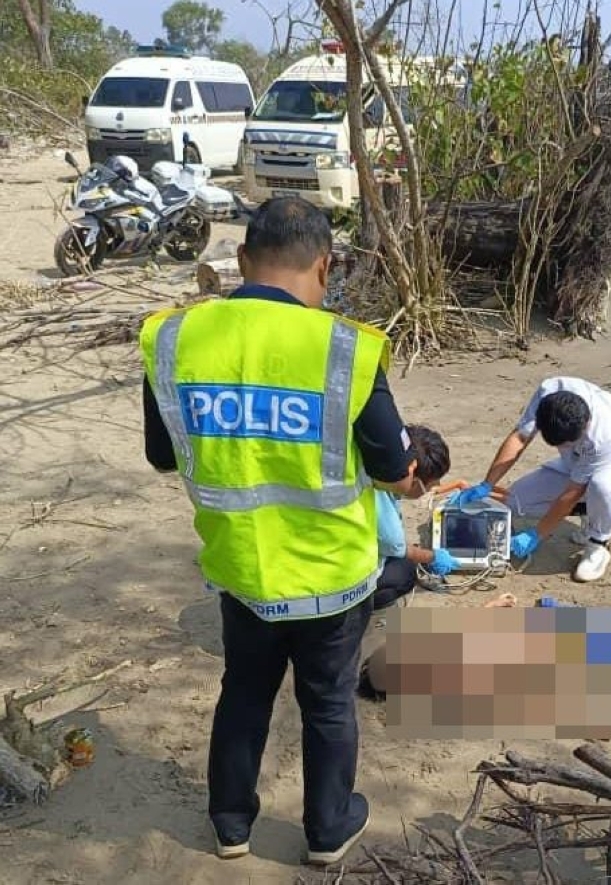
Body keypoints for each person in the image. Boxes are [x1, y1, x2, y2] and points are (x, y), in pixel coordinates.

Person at [139, 196, 415, 866]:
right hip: (331, 576)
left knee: (245, 692)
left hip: (241, 567)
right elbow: (395, 468)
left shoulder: (173, 338)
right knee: (327, 704)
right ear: (325, 266)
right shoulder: (344, 349)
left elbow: (161, 452)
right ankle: (327, 830)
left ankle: (231, 825)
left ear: (241, 260)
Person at [453, 376, 611, 582]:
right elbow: (520, 437)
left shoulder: (605, 438)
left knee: (602, 485)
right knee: (518, 502)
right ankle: (590, 511)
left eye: (569, 443)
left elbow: (572, 493)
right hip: (573, 467)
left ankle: (598, 543)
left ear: (586, 424)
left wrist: (537, 534)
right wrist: (487, 484)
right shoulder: (549, 390)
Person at [371, 423, 460, 611]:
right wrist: (432, 557)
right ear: (412, 474)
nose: (435, 486)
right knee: (404, 572)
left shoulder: (370, 469)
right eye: (432, 482)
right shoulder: (378, 494)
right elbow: (395, 546)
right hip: (340, 584)